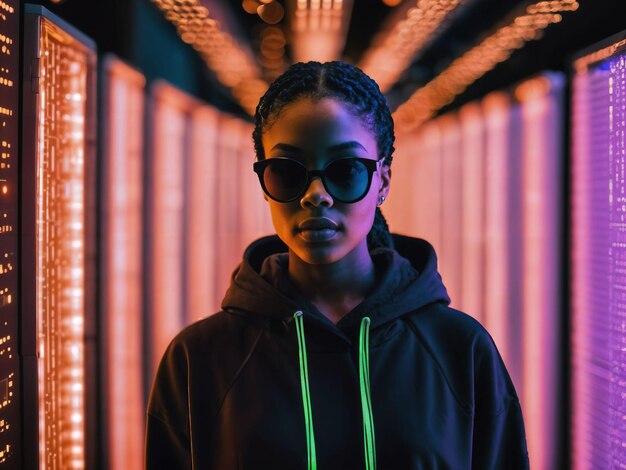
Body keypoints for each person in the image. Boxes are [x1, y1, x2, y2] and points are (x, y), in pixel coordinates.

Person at [145, 61, 529, 469]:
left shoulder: (460, 350)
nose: (316, 195)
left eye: (345, 170)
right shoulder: (200, 358)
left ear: (383, 180)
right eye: (288, 171)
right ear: (265, 182)